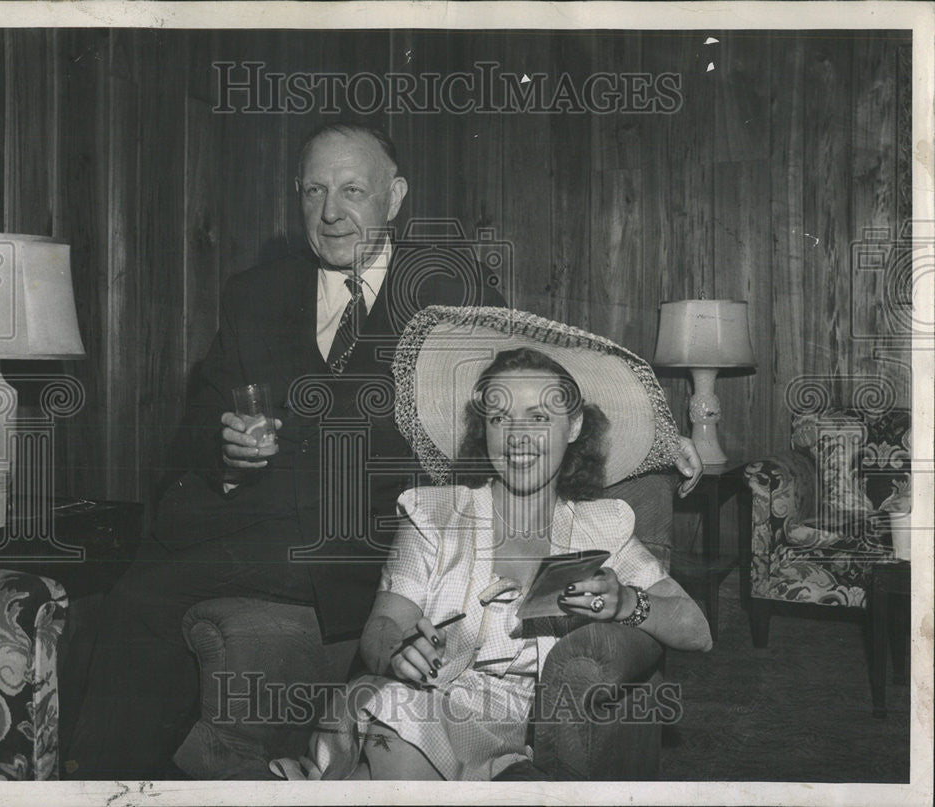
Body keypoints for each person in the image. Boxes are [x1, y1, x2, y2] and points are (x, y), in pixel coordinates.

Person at [67, 121, 704, 779]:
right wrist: (225, 445)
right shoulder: (254, 293)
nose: (331, 211)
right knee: (139, 592)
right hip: (251, 523)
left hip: (372, 538)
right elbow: (199, 421)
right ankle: (106, 783)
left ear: (394, 196)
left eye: (352, 190)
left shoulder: (447, 286)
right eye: (314, 191)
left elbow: (539, 377)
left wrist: (656, 439)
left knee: (148, 592)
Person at [269, 306, 712, 781]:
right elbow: (382, 625)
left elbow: (697, 631)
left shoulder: (603, 525)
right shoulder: (435, 513)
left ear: (575, 427)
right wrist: (397, 651)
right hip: (403, 702)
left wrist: (627, 603)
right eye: (500, 417)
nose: (518, 436)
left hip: (494, 730)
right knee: (396, 714)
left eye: (539, 415)